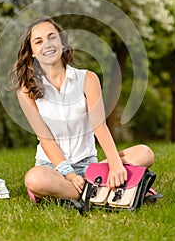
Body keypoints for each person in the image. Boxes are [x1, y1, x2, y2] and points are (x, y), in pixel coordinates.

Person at [13, 15, 155, 202]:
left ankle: (75, 193)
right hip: (52, 168)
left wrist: (115, 164)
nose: (47, 44)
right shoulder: (26, 89)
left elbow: (99, 126)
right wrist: (69, 175)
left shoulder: (88, 79)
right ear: (32, 52)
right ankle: (99, 191)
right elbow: (45, 138)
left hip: (89, 167)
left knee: (144, 153)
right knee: (35, 178)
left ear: (62, 43)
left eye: (52, 37)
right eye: (38, 41)